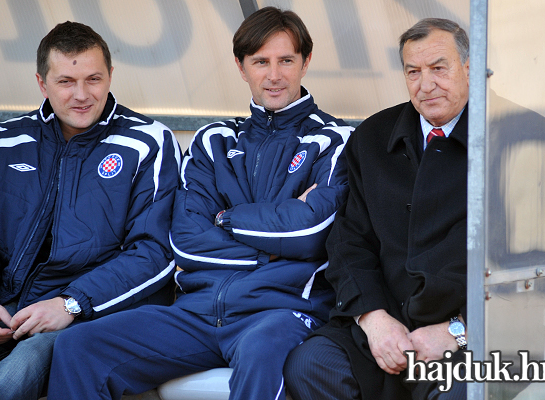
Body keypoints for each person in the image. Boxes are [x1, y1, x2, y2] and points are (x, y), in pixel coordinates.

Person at [46, 7, 353, 400]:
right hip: (196, 311)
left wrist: (223, 219)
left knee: (263, 352)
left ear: (305, 63)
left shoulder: (336, 140)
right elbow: (187, 239)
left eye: (286, 61)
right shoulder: (214, 140)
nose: (274, 76)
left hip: (281, 312)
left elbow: (310, 233)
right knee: (79, 346)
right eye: (260, 62)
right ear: (242, 68)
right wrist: (275, 249)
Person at [0, 21, 181, 400]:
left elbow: (154, 251)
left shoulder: (149, 142)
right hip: (4, 305)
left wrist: (72, 303)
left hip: (92, 313)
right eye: (66, 81)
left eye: (94, 79)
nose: (82, 95)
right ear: (41, 82)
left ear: (111, 76)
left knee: (6, 385)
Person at [284, 18, 471, 400]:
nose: (426, 84)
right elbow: (348, 241)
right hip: (385, 321)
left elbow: (533, 267)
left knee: (464, 392)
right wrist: (374, 319)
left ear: (471, 67)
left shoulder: (516, 137)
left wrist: (460, 329)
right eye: (413, 71)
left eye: (439, 68)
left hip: (472, 332)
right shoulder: (373, 137)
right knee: (311, 365)